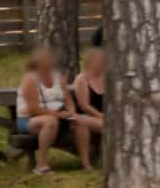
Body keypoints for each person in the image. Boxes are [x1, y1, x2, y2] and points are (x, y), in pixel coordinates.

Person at [18, 45, 86, 174]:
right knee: (50, 121)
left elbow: (68, 100)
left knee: (80, 121)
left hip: (58, 116)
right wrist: (58, 115)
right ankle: (41, 164)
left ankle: (85, 162)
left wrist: (72, 113)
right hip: (29, 119)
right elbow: (33, 109)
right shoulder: (30, 79)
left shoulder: (58, 77)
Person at [72, 42, 107, 151]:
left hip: (104, 115)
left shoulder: (107, 78)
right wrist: (101, 116)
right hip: (85, 116)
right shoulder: (82, 79)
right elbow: (84, 106)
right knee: (108, 126)